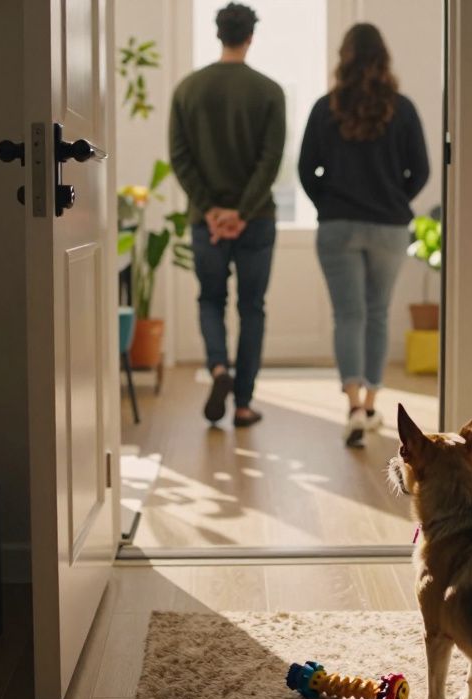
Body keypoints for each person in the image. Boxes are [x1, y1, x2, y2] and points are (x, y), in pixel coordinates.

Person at [298, 23, 429, 448]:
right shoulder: (403, 109)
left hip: (337, 226)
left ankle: (353, 406)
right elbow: (422, 170)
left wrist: (329, 204)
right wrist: (393, 199)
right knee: (377, 314)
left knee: (347, 316)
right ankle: (372, 405)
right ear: (383, 59)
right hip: (389, 227)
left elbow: (305, 169)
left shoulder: (325, 107)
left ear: (345, 58)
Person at [169, 2, 285, 428]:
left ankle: (218, 369)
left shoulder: (187, 89)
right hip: (257, 221)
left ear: (219, 34)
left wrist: (213, 211)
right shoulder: (269, 90)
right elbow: (271, 160)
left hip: (206, 223)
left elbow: (180, 159)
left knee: (210, 300)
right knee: (252, 308)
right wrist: (242, 211)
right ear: (250, 36)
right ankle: (242, 404)